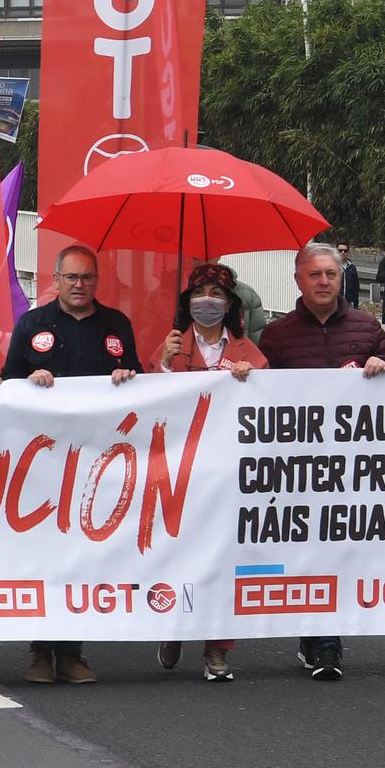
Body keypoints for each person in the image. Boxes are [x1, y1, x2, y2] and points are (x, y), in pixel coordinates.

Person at [1, 245, 139, 686]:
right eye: (71, 278)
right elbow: (5, 384)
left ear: (97, 282)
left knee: (84, 556)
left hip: (97, 464)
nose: (79, 286)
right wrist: (29, 382)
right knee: (45, 555)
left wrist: (127, 377)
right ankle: (41, 651)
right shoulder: (33, 324)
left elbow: (139, 382)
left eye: (87, 278)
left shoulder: (116, 325)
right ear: (56, 280)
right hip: (43, 462)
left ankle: (74, 652)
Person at [258, 242, 385, 680]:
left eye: (330, 275)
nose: (323, 282)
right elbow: (260, 401)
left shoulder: (367, 326)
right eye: (314, 275)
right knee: (306, 552)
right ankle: (317, 638)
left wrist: (383, 364)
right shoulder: (277, 336)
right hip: (295, 466)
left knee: (338, 551)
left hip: (352, 466)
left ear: (342, 278)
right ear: (299, 280)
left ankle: (326, 640)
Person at [152, 262, 268, 680]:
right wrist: (165, 365)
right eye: (199, 293)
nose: (208, 302)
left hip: (227, 477)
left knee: (223, 561)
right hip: (182, 472)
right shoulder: (172, 346)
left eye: (216, 295)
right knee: (176, 553)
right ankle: (173, 628)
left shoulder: (247, 352)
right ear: (187, 302)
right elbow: (151, 407)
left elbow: (266, 402)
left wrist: (250, 379)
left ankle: (217, 648)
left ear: (231, 303)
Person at [337, 243, 361, 309]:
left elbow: (356, 286)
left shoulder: (352, 267)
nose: (343, 252)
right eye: (340, 250)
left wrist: (355, 303)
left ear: (348, 253)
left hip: (349, 302)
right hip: (335, 302)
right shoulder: (331, 266)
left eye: (345, 251)